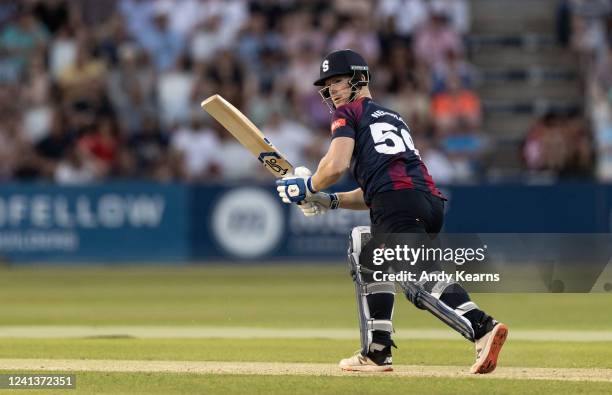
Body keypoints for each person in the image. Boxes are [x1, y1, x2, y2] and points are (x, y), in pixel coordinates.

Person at [275, 49, 507, 374]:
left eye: (338, 82)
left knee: (414, 278)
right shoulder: (392, 116)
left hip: (397, 203)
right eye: (328, 85)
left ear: (360, 79)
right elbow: (376, 185)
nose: (332, 91)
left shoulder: (346, 114)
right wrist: (331, 200)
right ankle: (377, 350)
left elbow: (336, 164)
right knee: (364, 248)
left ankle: (481, 326)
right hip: (423, 201)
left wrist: (308, 186)